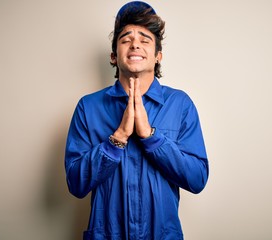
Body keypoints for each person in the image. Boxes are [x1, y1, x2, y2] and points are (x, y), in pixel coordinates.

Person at [65, 1, 209, 239]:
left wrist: (151, 138)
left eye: (145, 39)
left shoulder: (180, 105)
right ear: (113, 56)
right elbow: (75, 184)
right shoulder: (87, 108)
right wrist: (117, 138)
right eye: (125, 39)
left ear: (157, 56)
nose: (135, 44)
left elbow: (197, 178)